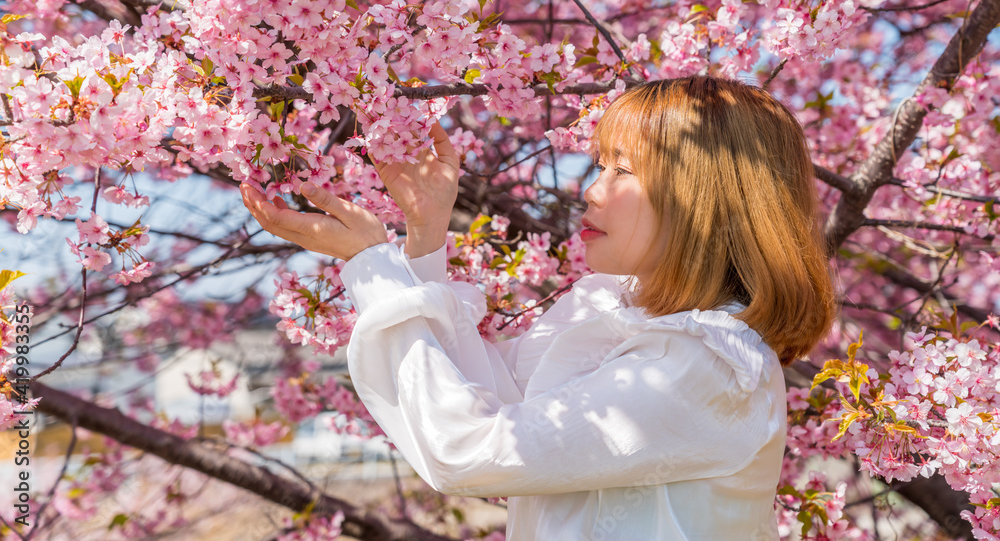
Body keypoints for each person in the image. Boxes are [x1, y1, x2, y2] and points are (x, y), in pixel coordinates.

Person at [241, 75, 835, 540]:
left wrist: (374, 264)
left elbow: (468, 450)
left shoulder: (704, 365)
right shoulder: (608, 311)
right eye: (598, 164)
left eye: (621, 169)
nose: (593, 190)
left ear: (701, 197)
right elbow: (491, 400)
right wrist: (425, 237)